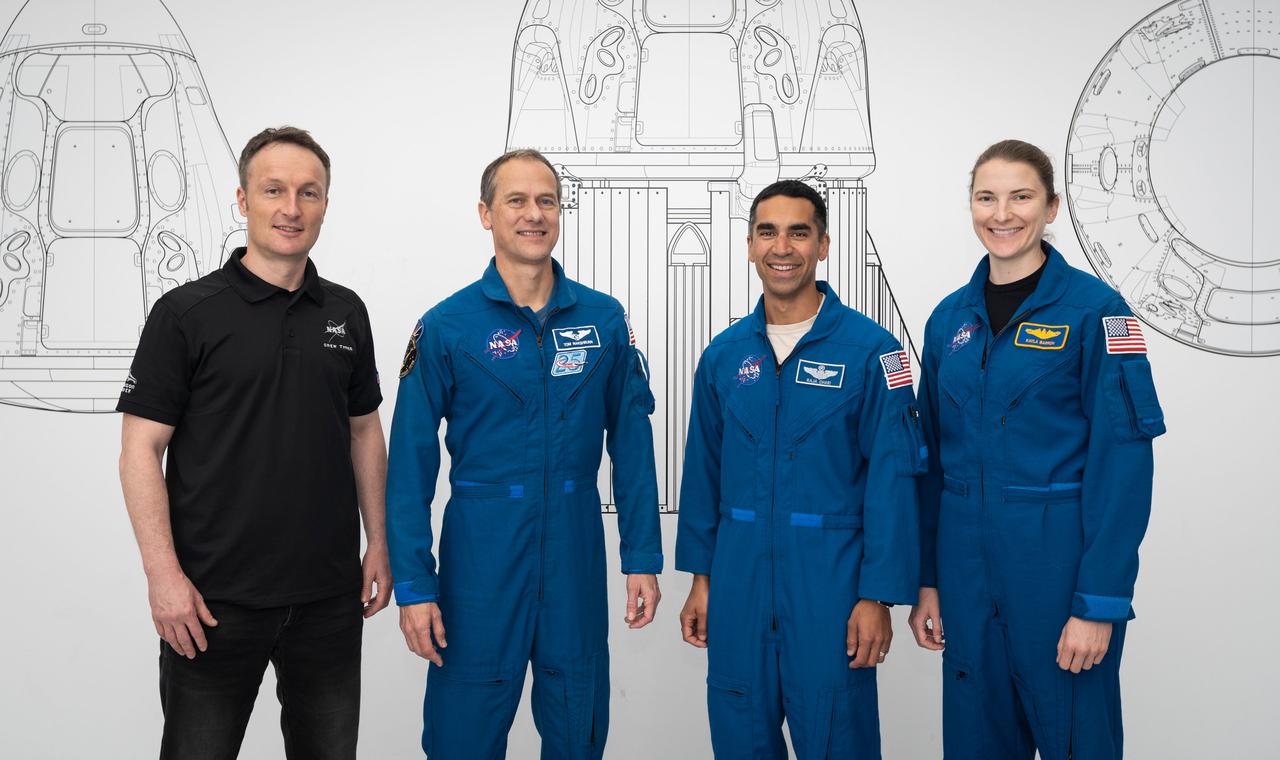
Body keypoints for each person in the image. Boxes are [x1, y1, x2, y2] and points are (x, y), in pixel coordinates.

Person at [117, 126, 391, 760]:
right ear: (242, 199)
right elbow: (139, 451)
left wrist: (378, 542)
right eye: (273, 190)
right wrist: (163, 577)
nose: (291, 208)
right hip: (212, 603)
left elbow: (364, 430)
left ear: (325, 203)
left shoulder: (345, 312)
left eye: (308, 193)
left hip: (327, 598)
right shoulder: (186, 313)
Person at [386, 148, 663, 759]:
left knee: (577, 728)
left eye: (546, 201)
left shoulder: (603, 320)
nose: (533, 214)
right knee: (463, 735)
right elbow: (408, 467)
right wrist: (413, 583)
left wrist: (641, 555)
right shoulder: (448, 326)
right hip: (480, 559)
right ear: (486, 214)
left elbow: (634, 443)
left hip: (575, 552)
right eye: (516, 200)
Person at [908, 139, 1166, 759]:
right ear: (970, 206)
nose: (1003, 214)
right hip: (965, 574)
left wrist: (1097, 603)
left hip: (1056, 574)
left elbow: (1123, 465)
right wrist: (929, 582)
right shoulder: (949, 321)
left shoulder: (1098, 313)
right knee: (976, 741)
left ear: (1051, 206)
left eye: (1021, 197)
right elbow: (931, 464)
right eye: (987, 197)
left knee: (1077, 738)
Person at [676, 180, 924, 758]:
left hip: (832, 592)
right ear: (749, 245)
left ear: (823, 245)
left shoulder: (873, 351)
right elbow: (702, 474)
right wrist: (702, 580)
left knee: (839, 738)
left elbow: (892, 482)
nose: (781, 247)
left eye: (798, 232)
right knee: (740, 738)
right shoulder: (723, 356)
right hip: (737, 588)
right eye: (767, 232)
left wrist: (877, 597)